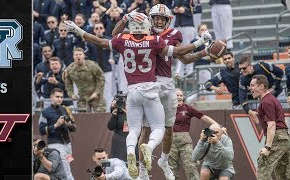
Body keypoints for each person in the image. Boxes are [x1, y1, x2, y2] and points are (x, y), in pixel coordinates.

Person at [64, 13, 211, 178]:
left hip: (132, 92)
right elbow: (179, 51)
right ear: (147, 26)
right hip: (150, 90)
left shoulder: (122, 40)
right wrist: (200, 42)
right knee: (158, 128)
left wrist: (77, 29)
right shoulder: (154, 41)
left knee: (134, 130)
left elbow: (98, 41)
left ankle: (130, 152)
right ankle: (149, 148)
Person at [110, 5, 212, 179]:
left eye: (162, 19)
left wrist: (205, 52)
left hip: (166, 83)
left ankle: (163, 160)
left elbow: (185, 58)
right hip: (149, 84)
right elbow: (116, 36)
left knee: (168, 127)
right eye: (156, 17)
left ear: (167, 21)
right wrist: (201, 45)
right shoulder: (142, 32)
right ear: (150, 18)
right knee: (146, 129)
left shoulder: (173, 35)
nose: (158, 21)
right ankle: (142, 169)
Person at [169, 88, 218, 180]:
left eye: (181, 95)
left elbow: (204, 117)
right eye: (177, 95)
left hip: (185, 142)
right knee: (171, 169)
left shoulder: (187, 108)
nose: (179, 97)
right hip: (170, 142)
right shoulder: (167, 109)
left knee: (191, 166)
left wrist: (218, 125)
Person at [249, 75, 290, 180]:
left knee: (263, 170)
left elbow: (272, 125)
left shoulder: (266, 102)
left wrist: (267, 147)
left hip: (277, 137)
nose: (250, 88)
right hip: (284, 138)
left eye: (252, 85)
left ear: (261, 86)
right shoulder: (271, 99)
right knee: (284, 174)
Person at [39, 88, 77, 180]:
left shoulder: (65, 109)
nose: (60, 99)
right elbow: (41, 130)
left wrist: (68, 124)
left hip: (67, 143)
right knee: (66, 168)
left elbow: (74, 127)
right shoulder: (45, 112)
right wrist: (56, 125)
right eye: (57, 97)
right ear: (51, 97)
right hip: (54, 143)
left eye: (61, 97)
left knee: (63, 167)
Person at [238, 55, 284, 123]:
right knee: (269, 122)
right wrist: (249, 111)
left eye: (244, 68)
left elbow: (280, 72)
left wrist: (273, 88)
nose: (241, 71)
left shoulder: (263, 66)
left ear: (250, 65)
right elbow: (242, 98)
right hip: (264, 101)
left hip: (278, 95)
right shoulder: (242, 79)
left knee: (284, 117)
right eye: (240, 69)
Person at [64, 47, 106, 112]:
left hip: (96, 96)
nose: (78, 56)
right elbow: (68, 83)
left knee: (100, 116)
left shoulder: (92, 65)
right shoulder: (70, 69)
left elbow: (101, 78)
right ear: (73, 56)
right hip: (82, 97)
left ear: (84, 55)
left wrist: (97, 92)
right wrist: (71, 94)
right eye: (76, 55)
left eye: (80, 54)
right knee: (82, 118)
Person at [107, 93, 128, 162]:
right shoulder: (117, 112)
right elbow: (110, 127)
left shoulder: (133, 111)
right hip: (119, 140)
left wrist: (127, 112)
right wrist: (114, 114)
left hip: (132, 139)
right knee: (118, 163)